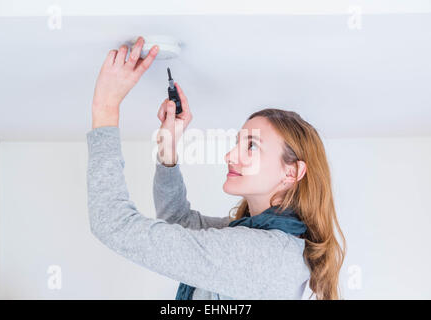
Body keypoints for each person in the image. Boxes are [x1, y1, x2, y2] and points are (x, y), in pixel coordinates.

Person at [87, 36, 346, 300]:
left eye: (251, 146)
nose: (231, 155)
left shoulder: (262, 255)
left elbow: (112, 223)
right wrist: (168, 145)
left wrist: (105, 109)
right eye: (237, 143)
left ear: (291, 172)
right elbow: (180, 222)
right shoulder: (261, 238)